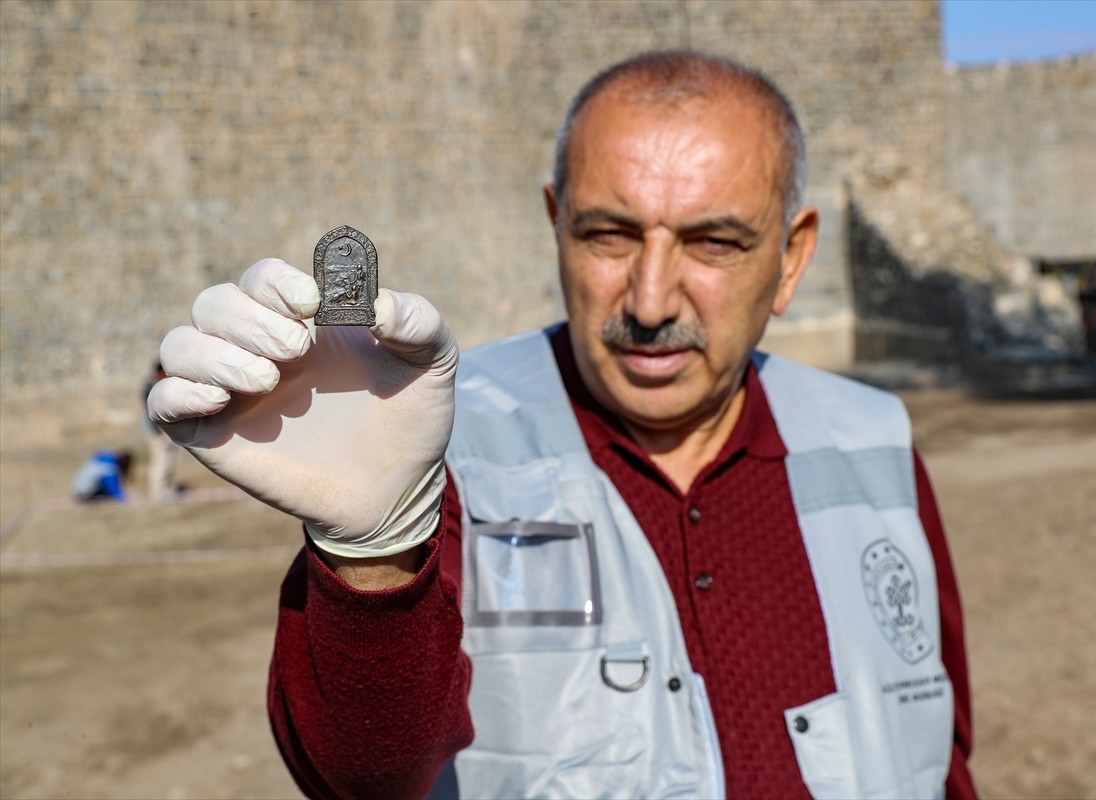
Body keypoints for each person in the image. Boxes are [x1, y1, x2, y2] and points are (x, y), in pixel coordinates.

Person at [149, 51, 976, 799]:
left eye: (713, 242)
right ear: (556, 224)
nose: (651, 302)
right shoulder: (432, 443)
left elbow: (943, 759)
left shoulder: (877, 440)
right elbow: (363, 776)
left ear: (792, 258)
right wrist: (373, 555)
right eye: (609, 235)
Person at [142, 361, 180, 500]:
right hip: (156, 430)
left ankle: (167, 487)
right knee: (160, 459)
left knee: (168, 459)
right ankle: (157, 491)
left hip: (164, 429)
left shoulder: (157, 385)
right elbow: (150, 411)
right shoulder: (150, 387)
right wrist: (158, 432)